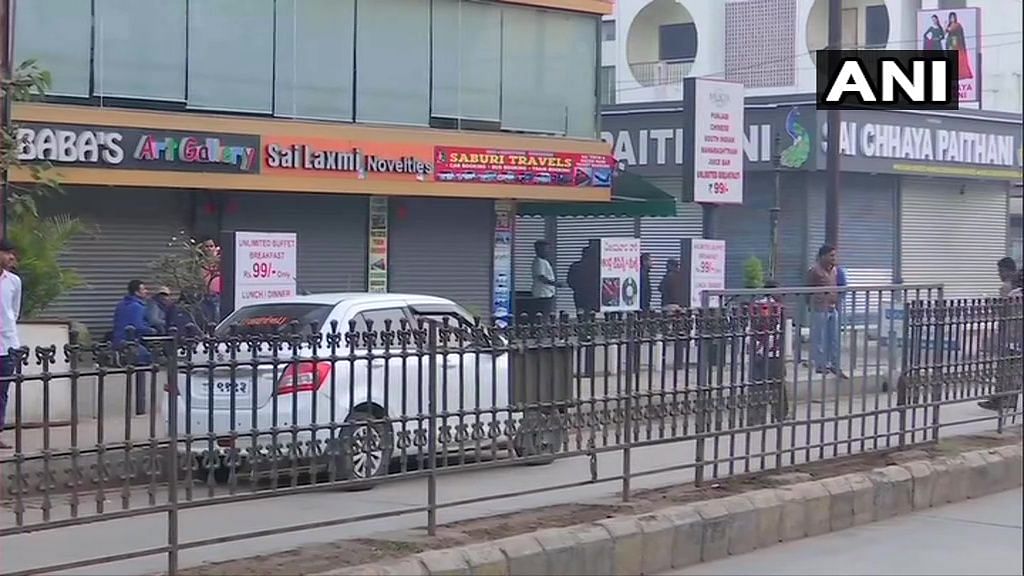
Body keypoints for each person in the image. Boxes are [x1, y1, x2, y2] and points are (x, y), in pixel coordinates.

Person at [748, 279, 789, 425]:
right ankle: (780, 414)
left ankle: (755, 416)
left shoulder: (756, 305)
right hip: (772, 352)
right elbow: (778, 331)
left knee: (757, 385)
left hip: (757, 351)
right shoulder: (777, 308)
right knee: (778, 383)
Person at [806, 244, 846, 378]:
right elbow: (807, 288)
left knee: (833, 337)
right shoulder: (815, 271)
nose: (834, 258)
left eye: (834, 255)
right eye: (831, 255)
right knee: (820, 338)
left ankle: (834, 364)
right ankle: (820, 364)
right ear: (823, 256)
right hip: (819, 308)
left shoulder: (835, 270)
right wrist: (810, 303)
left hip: (832, 307)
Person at [0, 240, 22, 449]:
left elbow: (14, 312)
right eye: (7, 254)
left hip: (7, 344)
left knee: (2, 390)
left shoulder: (14, 281)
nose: (12, 258)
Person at [113, 280, 155, 365]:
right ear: (136, 292)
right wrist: (151, 330)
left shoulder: (121, 304)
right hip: (130, 340)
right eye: (143, 289)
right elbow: (138, 326)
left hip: (117, 339)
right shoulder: (137, 306)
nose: (146, 291)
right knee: (147, 357)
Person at [567, 245, 599, 314]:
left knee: (581, 314)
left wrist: (578, 289)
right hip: (592, 295)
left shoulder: (575, 266)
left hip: (579, 295)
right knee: (592, 315)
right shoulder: (596, 268)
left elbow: (569, 281)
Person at [531, 240, 559, 318]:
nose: (548, 251)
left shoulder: (544, 261)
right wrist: (555, 284)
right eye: (545, 249)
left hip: (547, 293)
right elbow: (541, 277)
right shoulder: (539, 262)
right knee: (543, 315)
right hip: (542, 294)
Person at [945, 12, 973, 80]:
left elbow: (950, 30)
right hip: (951, 45)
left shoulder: (957, 25)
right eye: (951, 17)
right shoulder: (950, 25)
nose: (952, 19)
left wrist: (945, 26)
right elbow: (945, 33)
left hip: (957, 45)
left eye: (953, 17)